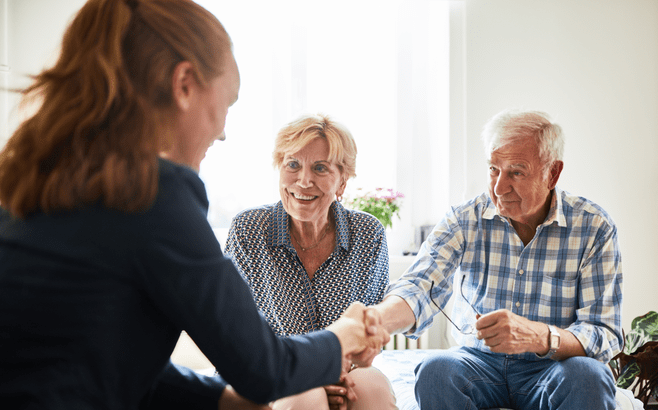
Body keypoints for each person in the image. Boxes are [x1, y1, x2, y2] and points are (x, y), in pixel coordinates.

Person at [0, 1, 388, 409]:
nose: (222, 132)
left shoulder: (44, 176)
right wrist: (346, 335)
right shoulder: (151, 195)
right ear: (184, 84)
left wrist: (221, 399)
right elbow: (262, 368)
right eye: (228, 104)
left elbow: (107, 357)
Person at [371, 109, 624, 410]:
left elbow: (604, 332)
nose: (499, 187)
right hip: (478, 364)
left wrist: (540, 336)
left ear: (552, 173)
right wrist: (375, 322)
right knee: (436, 369)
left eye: (516, 172)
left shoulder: (593, 227)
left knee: (589, 375)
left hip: (552, 368)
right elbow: (420, 285)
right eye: (494, 169)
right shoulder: (465, 219)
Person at [225, 113, 397, 410]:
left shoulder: (368, 233)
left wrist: (337, 376)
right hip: (274, 370)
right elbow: (237, 332)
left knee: (374, 391)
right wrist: (312, 376)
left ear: (342, 181)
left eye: (320, 168)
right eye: (292, 165)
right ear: (279, 169)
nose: (304, 180)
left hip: (349, 372)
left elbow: (370, 333)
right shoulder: (248, 230)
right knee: (305, 397)